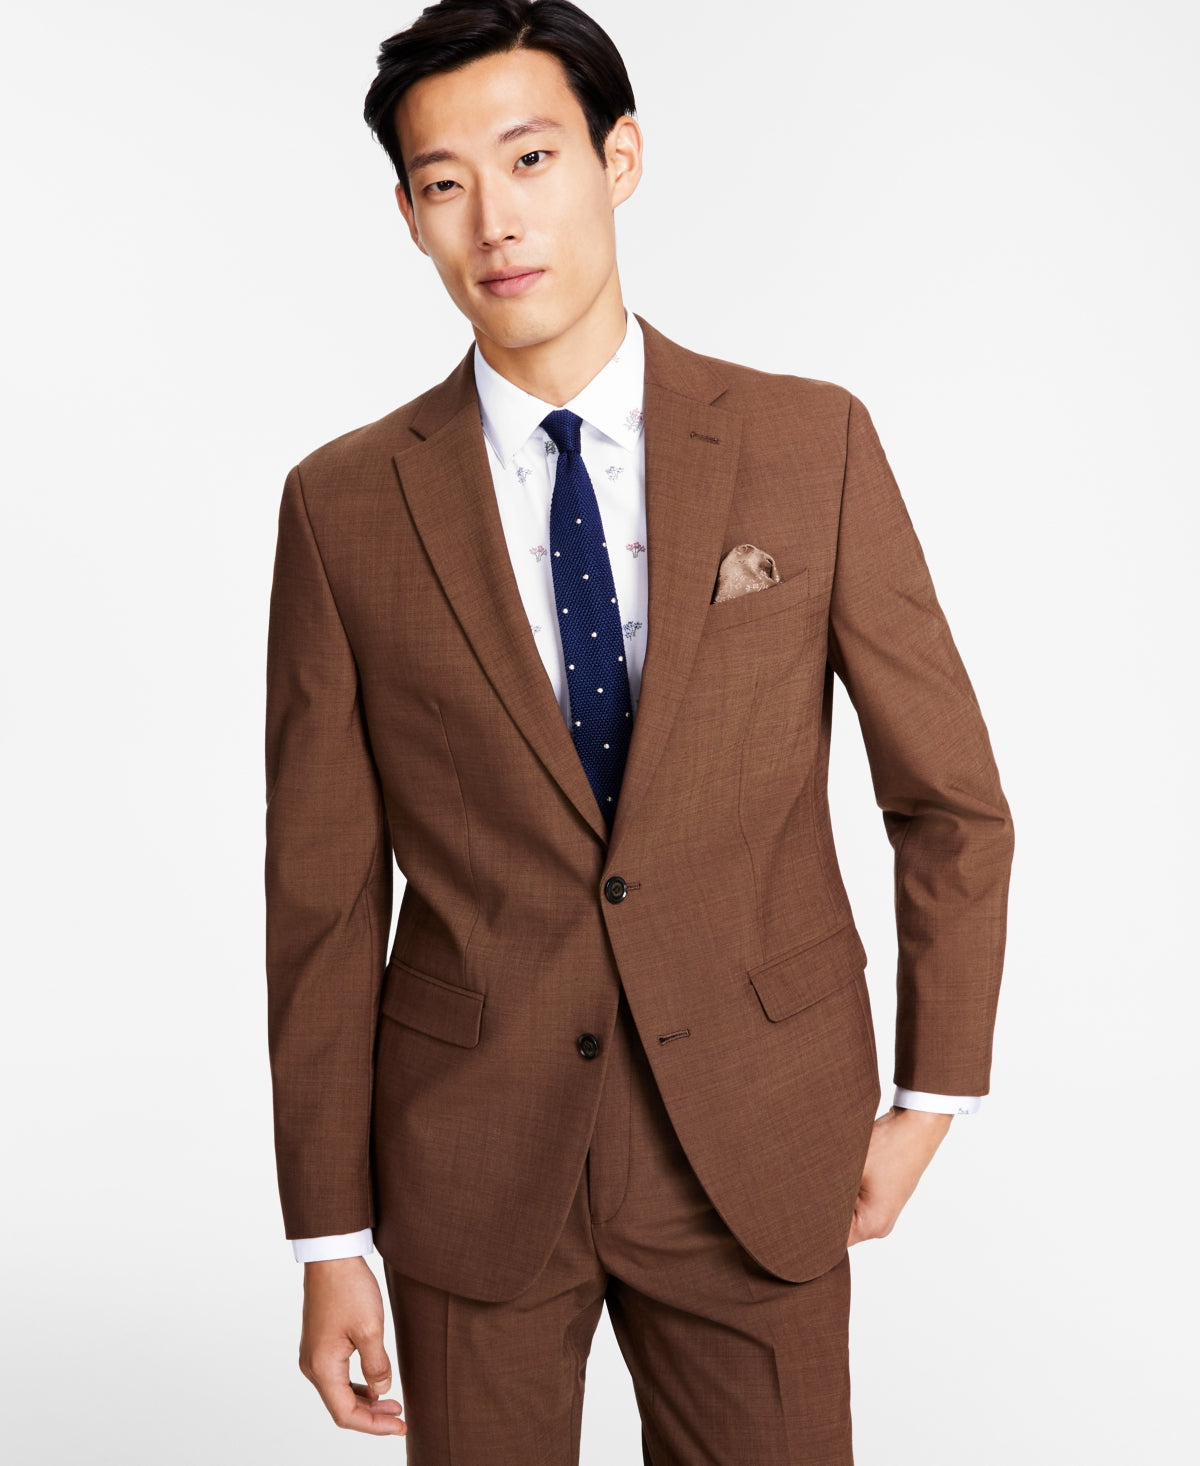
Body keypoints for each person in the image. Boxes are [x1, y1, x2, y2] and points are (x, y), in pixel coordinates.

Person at [263, 2, 1015, 1461]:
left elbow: (951, 803)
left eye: (531, 157)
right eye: (444, 182)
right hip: (472, 1153)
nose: (495, 220)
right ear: (409, 217)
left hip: (759, 1131)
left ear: (620, 159)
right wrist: (327, 1234)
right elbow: (322, 899)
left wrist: (934, 1095)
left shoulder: (809, 444)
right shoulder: (343, 506)